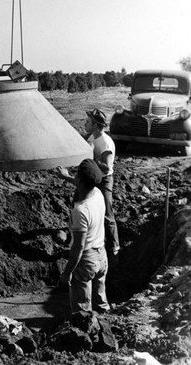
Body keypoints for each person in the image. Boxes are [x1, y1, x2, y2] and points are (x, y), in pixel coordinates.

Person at [58, 108, 120, 265]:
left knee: (107, 214)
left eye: (88, 122)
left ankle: (114, 248)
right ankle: (76, 237)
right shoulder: (93, 136)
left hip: (103, 180)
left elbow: (106, 167)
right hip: (90, 177)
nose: (85, 123)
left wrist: (91, 156)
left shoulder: (106, 143)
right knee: (76, 204)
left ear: (96, 125)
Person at [60, 158, 110, 314]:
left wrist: (67, 273)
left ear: (80, 180)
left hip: (86, 261)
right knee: (100, 301)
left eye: (76, 175)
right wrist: (67, 177)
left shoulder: (81, 210)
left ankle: (84, 333)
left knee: (82, 311)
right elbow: (85, 185)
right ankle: (107, 324)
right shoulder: (98, 194)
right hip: (101, 256)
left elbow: (78, 246)